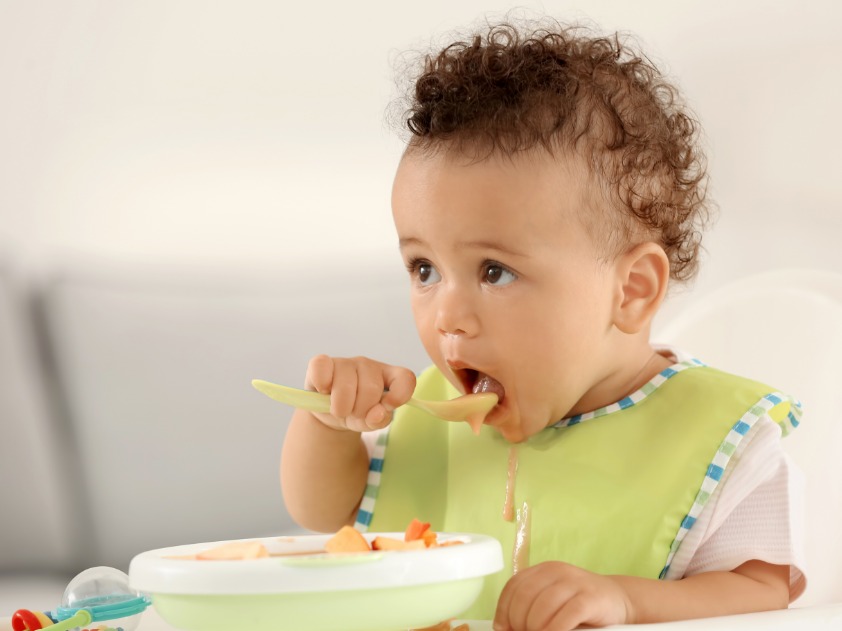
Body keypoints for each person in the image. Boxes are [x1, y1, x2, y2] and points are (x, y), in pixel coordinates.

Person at [281, 19, 806, 630]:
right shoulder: (420, 416)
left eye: (495, 272)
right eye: (424, 269)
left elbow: (762, 590)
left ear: (630, 290)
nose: (447, 316)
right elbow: (321, 511)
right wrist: (328, 424)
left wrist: (628, 601)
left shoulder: (720, 439)